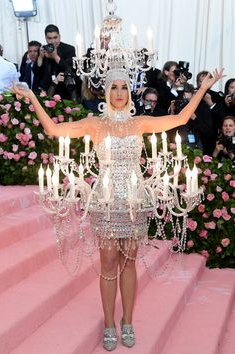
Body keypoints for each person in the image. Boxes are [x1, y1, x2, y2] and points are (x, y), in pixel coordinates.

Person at [12, 67, 224, 351]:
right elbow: (53, 129)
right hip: (106, 200)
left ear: (129, 92)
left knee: (130, 261)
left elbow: (181, 118)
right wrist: (32, 99)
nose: (120, 94)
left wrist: (203, 89)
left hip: (135, 199)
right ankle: (109, 323)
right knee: (109, 261)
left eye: (124, 88)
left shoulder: (140, 123)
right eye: (114, 88)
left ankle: (127, 320)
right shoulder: (96, 124)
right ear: (106, 92)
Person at [36, 24, 79, 99]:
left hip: (66, 91)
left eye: (55, 37)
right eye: (50, 38)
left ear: (59, 36)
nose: (53, 41)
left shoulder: (69, 49)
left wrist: (55, 57)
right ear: (46, 38)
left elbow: (70, 68)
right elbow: (37, 72)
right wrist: (40, 57)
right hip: (49, 91)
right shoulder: (44, 49)